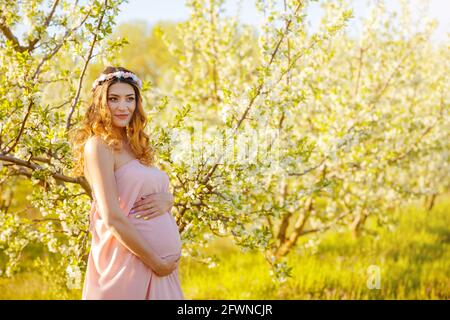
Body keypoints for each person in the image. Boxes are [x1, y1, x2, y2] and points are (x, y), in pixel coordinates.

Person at [69, 66, 184, 299]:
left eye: (129, 99)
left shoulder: (136, 144)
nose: (123, 107)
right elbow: (112, 216)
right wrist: (156, 263)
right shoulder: (98, 146)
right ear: (101, 103)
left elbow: (140, 192)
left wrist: (169, 200)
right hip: (129, 264)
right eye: (114, 99)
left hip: (159, 269)